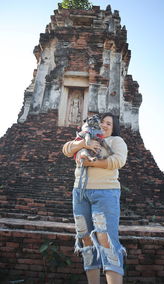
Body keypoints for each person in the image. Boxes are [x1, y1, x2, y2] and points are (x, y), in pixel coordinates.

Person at [62, 112, 128, 284]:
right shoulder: (84, 138)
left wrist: (93, 163)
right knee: (85, 238)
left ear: (113, 128)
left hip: (105, 192)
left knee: (105, 239)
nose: (104, 125)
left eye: (109, 123)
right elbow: (66, 149)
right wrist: (85, 143)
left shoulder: (115, 141)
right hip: (80, 192)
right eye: (102, 122)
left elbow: (118, 161)